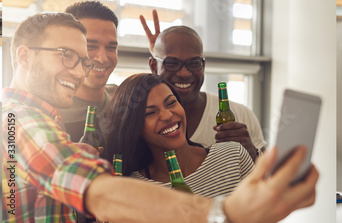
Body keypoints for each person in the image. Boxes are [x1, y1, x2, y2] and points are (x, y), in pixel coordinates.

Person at [2, 12, 316, 222]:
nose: (79, 71)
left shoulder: (46, 120)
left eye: (80, 61)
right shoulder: (18, 122)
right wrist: (225, 213)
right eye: (66, 55)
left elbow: (134, 93)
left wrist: (161, 62)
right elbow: (98, 191)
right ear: (24, 55)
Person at [101, 73, 253, 197]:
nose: (167, 115)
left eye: (171, 103)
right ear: (135, 127)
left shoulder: (233, 155)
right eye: (151, 112)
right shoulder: (133, 189)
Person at [141, 17, 265, 160]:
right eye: (172, 63)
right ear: (153, 66)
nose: (184, 73)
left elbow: (270, 178)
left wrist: (252, 155)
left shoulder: (240, 115)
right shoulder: (143, 121)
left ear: (203, 65)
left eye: (194, 63)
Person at [57, 1, 120, 142]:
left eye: (111, 48)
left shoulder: (124, 98)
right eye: (90, 46)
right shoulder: (47, 113)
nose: (102, 58)